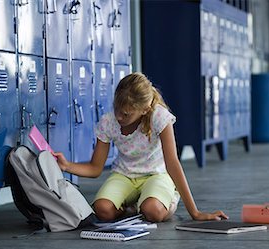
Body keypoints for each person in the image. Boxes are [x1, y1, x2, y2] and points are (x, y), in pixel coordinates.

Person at [53, 72, 228, 222]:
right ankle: (133, 209)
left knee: (153, 211)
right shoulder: (109, 122)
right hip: (124, 175)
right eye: (117, 109)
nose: (119, 117)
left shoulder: (159, 117)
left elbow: (173, 163)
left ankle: (164, 200)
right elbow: (95, 168)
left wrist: (195, 213)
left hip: (156, 175)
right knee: (102, 209)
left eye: (126, 114)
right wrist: (66, 166)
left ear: (144, 110)